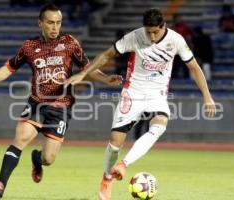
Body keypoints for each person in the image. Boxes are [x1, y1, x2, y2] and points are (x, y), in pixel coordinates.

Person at [66, 8, 217, 200]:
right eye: (148, 32)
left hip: (157, 94)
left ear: (163, 26)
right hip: (132, 93)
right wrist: (82, 74)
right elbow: (106, 55)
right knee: (114, 144)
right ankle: (106, 178)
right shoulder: (135, 37)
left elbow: (194, 67)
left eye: (155, 32)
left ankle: (124, 164)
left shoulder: (176, 40)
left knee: (160, 125)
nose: (152, 37)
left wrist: (207, 96)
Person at [0, 3, 121, 199]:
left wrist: (106, 79)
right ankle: (1, 184)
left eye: (58, 23)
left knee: (48, 158)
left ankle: (37, 159)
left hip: (61, 108)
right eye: (50, 23)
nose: (55, 27)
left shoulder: (69, 43)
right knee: (20, 139)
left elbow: (88, 67)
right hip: (37, 103)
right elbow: (9, 67)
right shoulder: (29, 46)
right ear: (40, 23)